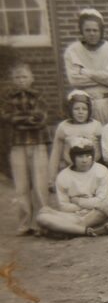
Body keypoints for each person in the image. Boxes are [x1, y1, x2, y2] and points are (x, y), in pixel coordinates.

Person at [3, 62, 50, 235]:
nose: (21, 80)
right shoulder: (8, 98)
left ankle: (42, 222)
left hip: (37, 143)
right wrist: (26, 119)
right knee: (21, 186)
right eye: (17, 77)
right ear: (12, 80)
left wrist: (20, 120)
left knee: (39, 184)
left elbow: (40, 118)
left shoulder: (39, 95)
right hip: (17, 144)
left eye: (24, 76)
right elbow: (7, 117)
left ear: (32, 78)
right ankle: (25, 223)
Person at [36, 137, 108, 237]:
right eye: (80, 156)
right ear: (73, 158)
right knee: (42, 215)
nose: (84, 160)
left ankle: (65, 230)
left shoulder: (102, 171)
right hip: (73, 215)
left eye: (88, 156)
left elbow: (101, 201)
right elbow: (64, 206)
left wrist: (78, 201)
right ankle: (87, 231)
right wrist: (87, 204)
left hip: (95, 214)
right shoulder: (63, 176)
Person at [63, 8, 108, 124]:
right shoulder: (72, 51)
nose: (92, 34)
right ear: (82, 31)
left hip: (105, 103)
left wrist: (85, 72)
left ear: (101, 31)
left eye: (95, 30)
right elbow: (75, 80)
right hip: (81, 104)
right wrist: (101, 77)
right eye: (88, 30)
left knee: (106, 138)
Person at [48, 90, 103, 191]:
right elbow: (56, 153)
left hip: (93, 168)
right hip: (71, 168)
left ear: (89, 111)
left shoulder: (96, 125)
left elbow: (102, 149)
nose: (80, 112)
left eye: (84, 109)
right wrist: (52, 177)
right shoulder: (64, 127)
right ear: (70, 110)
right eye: (76, 109)